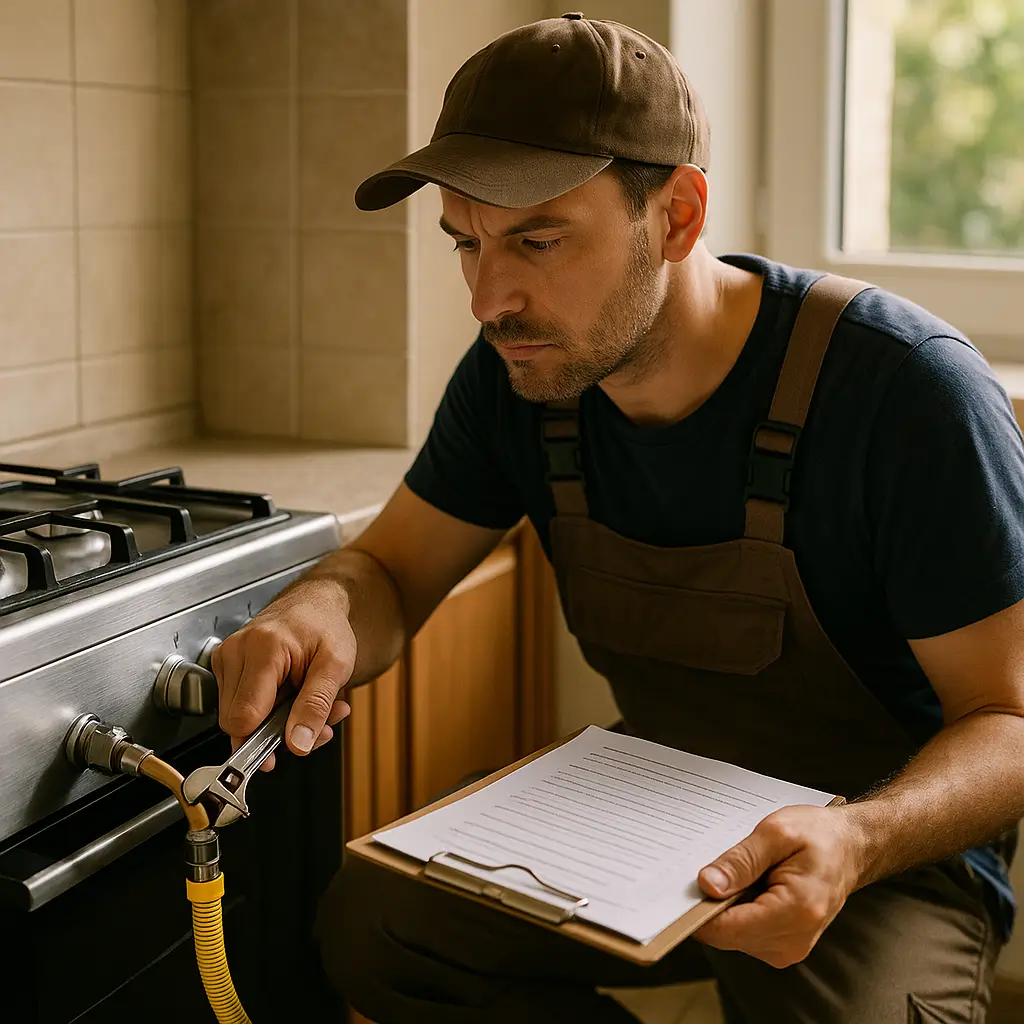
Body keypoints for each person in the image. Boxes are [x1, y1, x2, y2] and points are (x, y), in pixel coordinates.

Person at [211, 14, 1024, 1024]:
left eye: (538, 240)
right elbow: (392, 572)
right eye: (467, 242)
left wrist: (857, 840)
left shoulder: (906, 391)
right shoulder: (519, 376)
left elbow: (1009, 722)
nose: (489, 299)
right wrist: (323, 605)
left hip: (884, 850)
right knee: (377, 929)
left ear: (677, 216)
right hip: (650, 813)